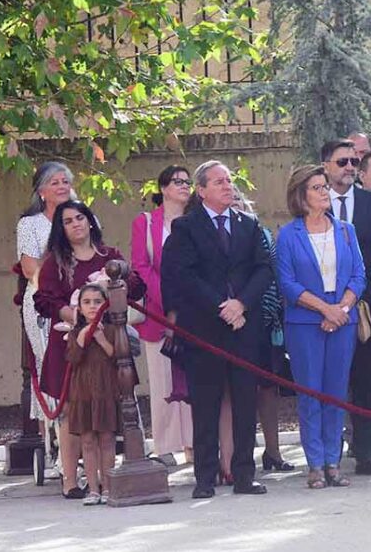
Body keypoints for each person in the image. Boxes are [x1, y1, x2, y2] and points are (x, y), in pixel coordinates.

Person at [161, 160, 273, 499]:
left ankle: (244, 475)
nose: (227, 186)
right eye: (219, 181)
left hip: (244, 326)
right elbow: (183, 275)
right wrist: (221, 307)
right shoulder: (186, 227)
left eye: (229, 180)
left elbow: (264, 268)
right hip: (204, 328)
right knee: (206, 405)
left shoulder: (248, 224)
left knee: (244, 404)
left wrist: (241, 304)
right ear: (202, 190)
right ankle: (205, 478)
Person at [35, 201, 145, 492]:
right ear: (61, 229)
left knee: (110, 410)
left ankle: (106, 481)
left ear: (90, 221)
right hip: (71, 343)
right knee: (71, 412)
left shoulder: (110, 257)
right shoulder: (55, 263)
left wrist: (114, 287)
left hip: (108, 342)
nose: (76, 224)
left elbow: (136, 286)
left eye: (80, 218)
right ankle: (70, 482)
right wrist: (76, 318)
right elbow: (44, 300)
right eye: (68, 221)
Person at [276, 165, 366, 488]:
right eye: (317, 187)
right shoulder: (288, 235)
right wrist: (324, 309)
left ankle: (333, 462)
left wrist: (341, 309)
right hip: (305, 323)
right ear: (301, 195)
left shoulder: (346, 230)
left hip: (343, 320)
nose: (324, 192)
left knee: (336, 392)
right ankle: (314, 463)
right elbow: (287, 283)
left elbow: (359, 275)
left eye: (325, 186)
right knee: (310, 393)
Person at [321, 140, 371, 474]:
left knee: (367, 382)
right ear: (326, 165)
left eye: (354, 162)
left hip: (368, 310)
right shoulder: (314, 202)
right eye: (342, 162)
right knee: (328, 383)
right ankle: (325, 456)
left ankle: (366, 454)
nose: (350, 168)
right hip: (323, 309)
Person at [15, 161, 80, 497]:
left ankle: (83, 445)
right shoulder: (30, 224)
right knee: (51, 369)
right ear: (41, 190)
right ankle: (55, 445)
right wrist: (59, 280)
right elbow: (30, 268)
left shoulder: (81, 217)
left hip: (81, 300)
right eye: (54, 182)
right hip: (43, 302)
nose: (62, 185)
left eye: (65, 180)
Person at [131, 165, 195, 465]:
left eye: (187, 181)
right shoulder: (145, 222)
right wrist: (168, 302)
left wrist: (185, 304)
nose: (184, 186)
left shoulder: (196, 220)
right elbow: (141, 265)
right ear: (163, 188)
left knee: (195, 381)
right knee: (162, 382)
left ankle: (194, 444)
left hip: (194, 311)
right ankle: (166, 447)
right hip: (157, 313)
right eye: (177, 181)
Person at [231, 191, 295, 474]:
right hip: (231, 320)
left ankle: (273, 452)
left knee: (268, 389)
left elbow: (275, 276)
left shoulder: (264, 235)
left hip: (267, 322)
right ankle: (235, 458)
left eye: (239, 199)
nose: (235, 203)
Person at [63, 284, 118, 506]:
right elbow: (73, 359)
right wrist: (82, 336)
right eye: (87, 302)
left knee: (106, 439)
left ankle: (108, 486)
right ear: (79, 307)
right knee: (87, 441)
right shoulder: (74, 333)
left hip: (105, 391)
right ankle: (93, 489)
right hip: (83, 393)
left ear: (105, 305)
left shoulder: (113, 331)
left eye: (97, 301)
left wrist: (101, 339)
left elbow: (118, 358)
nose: (93, 306)